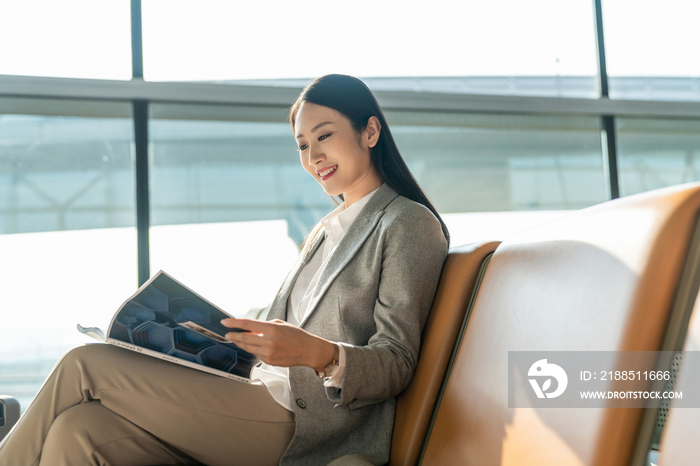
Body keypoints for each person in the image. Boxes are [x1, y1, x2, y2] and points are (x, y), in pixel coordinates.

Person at [0, 74, 449, 466]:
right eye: (302, 144)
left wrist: (318, 354)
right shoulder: (324, 232)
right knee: (78, 430)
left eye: (325, 135)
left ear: (370, 131)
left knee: (85, 364)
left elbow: (397, 362)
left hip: (305, 424)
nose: (313, 156)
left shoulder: (407, 222)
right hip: (257, 391)